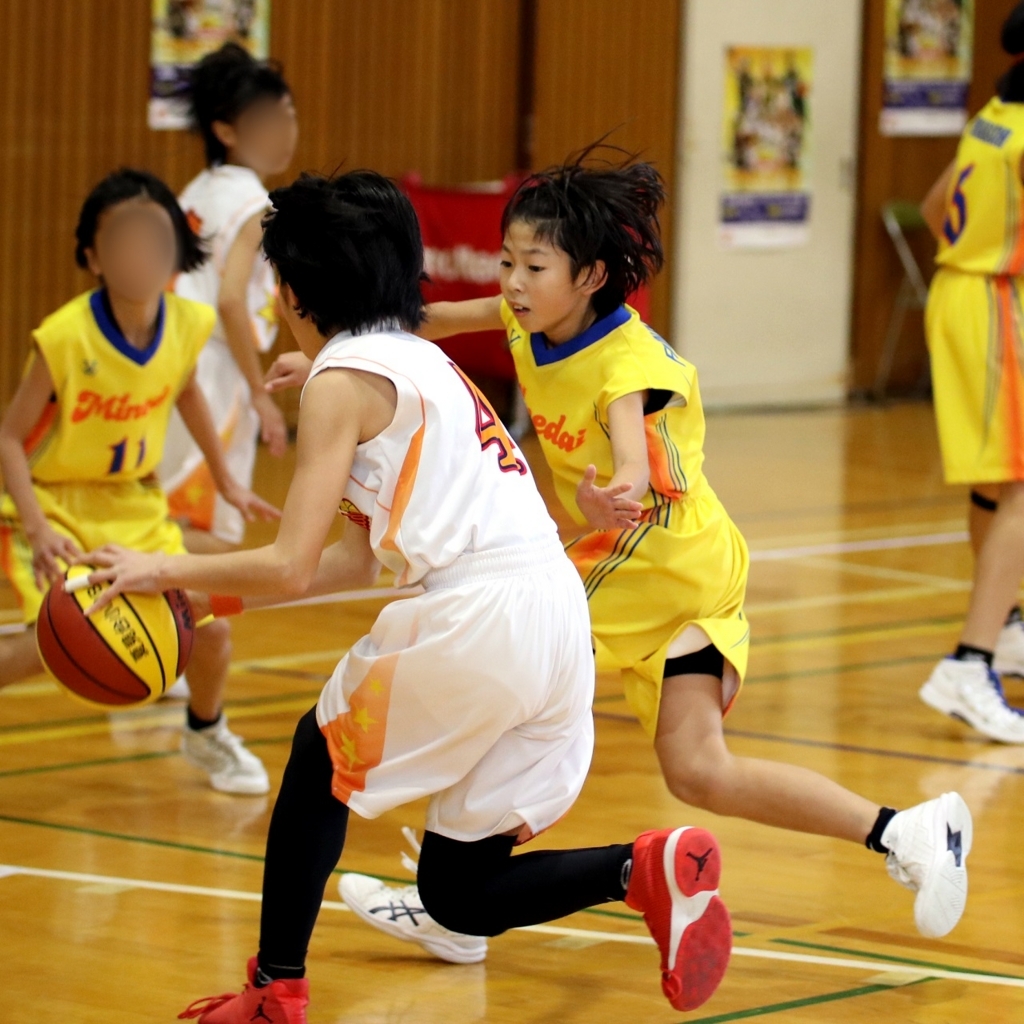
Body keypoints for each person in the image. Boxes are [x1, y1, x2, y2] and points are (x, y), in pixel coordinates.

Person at [266, 149, 973, 962]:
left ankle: (454, 896)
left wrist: (612, 495)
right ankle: (903, 832)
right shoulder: (522, 318)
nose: (513, 282)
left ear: (593, 275)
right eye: (506, 263)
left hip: (668, 563)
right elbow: (412, 324)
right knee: (690, 770)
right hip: (609, 568)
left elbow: (632, 461)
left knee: (490, 676)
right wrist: (327, 357)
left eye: (534, 266)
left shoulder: (625, 362)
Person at [80, 171, 734, 1021]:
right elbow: (353, 561)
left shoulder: (339, 381)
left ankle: (276, 987)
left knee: (319, 764)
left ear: (291, 291)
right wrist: (215, 603)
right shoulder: (428, 362)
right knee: (459, 890)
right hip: (556, 618)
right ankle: (642, 868)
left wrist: (160, 569)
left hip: (479, 613)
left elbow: (291, 564)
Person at [0, 168, 277, 794]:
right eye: (123, 242)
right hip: (57, 508)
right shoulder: (64, 337)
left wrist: (228, 481)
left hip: (134, 503)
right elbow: (9, 439)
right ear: (94, 256)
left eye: (155, 240)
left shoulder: (186, 323)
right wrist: (38, 530)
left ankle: (206, 732)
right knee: (38, 647)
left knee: (211, 631)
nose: (140, 255)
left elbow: (184, 393)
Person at [917, 2, 1024, 744]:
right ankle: (970, 660)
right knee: (1021, 485)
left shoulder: (997, 110)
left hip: (958, 292)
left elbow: (931, 206)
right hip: (994, 301)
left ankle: (1007, 626)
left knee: (997, 484)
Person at [160, 42, 297, 555]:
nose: (284, 132)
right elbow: (231, 301)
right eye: (266, 120)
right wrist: (259, 394)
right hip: (212, 372)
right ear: (225, 131)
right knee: (205, 531)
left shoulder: (197, 189)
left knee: (174, 516)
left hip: (176, 360)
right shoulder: (254, 205)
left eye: (287, 117)